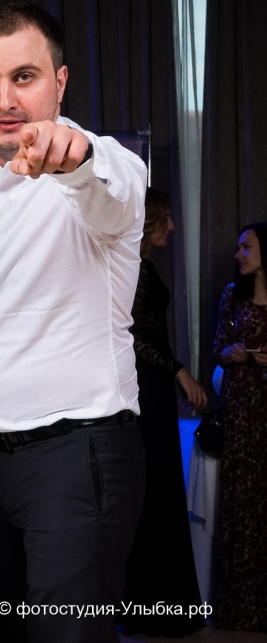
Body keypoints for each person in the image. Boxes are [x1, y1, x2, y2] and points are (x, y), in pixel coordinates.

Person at [0, 0, 147, 641]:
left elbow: (110, 195)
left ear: (60, 80)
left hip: (79, 455)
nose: (5, 100)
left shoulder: (107, 165)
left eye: (24, 76)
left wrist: (74, 161)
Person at [118, 188, 205, 637]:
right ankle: (152, 607)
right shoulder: (135, 268)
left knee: (157, 486)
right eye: (166, 217)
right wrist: (179, 371)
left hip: (152, 386)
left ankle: (155, 606)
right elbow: (130, 333)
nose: (171, 226)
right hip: (145, 387)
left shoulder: (140, 267)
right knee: (153, 488)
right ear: (148, 220)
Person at [213, 221, 267, 632]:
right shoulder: (232, 296)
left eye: (246, 247)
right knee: (241, 505)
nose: (239, 255)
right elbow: (217, 350)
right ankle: (239, 607)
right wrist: (230, 352)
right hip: (240, 410)